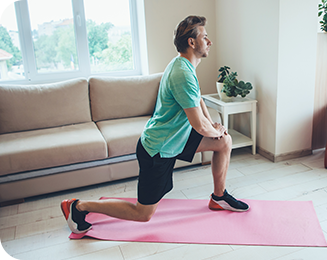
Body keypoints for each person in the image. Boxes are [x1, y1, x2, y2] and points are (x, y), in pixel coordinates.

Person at [61, 15, 249, 234]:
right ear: (191, 42)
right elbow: (198, 125)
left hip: (176, 137)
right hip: (159, 149)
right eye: (204, 37)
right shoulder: (182, 73)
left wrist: (215, 128)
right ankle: (78, 206)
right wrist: (213, 129)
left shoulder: (185, 64)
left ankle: (218, 196)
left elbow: (197, 99)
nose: (209, 42)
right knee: (143, 214)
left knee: (224, 142)